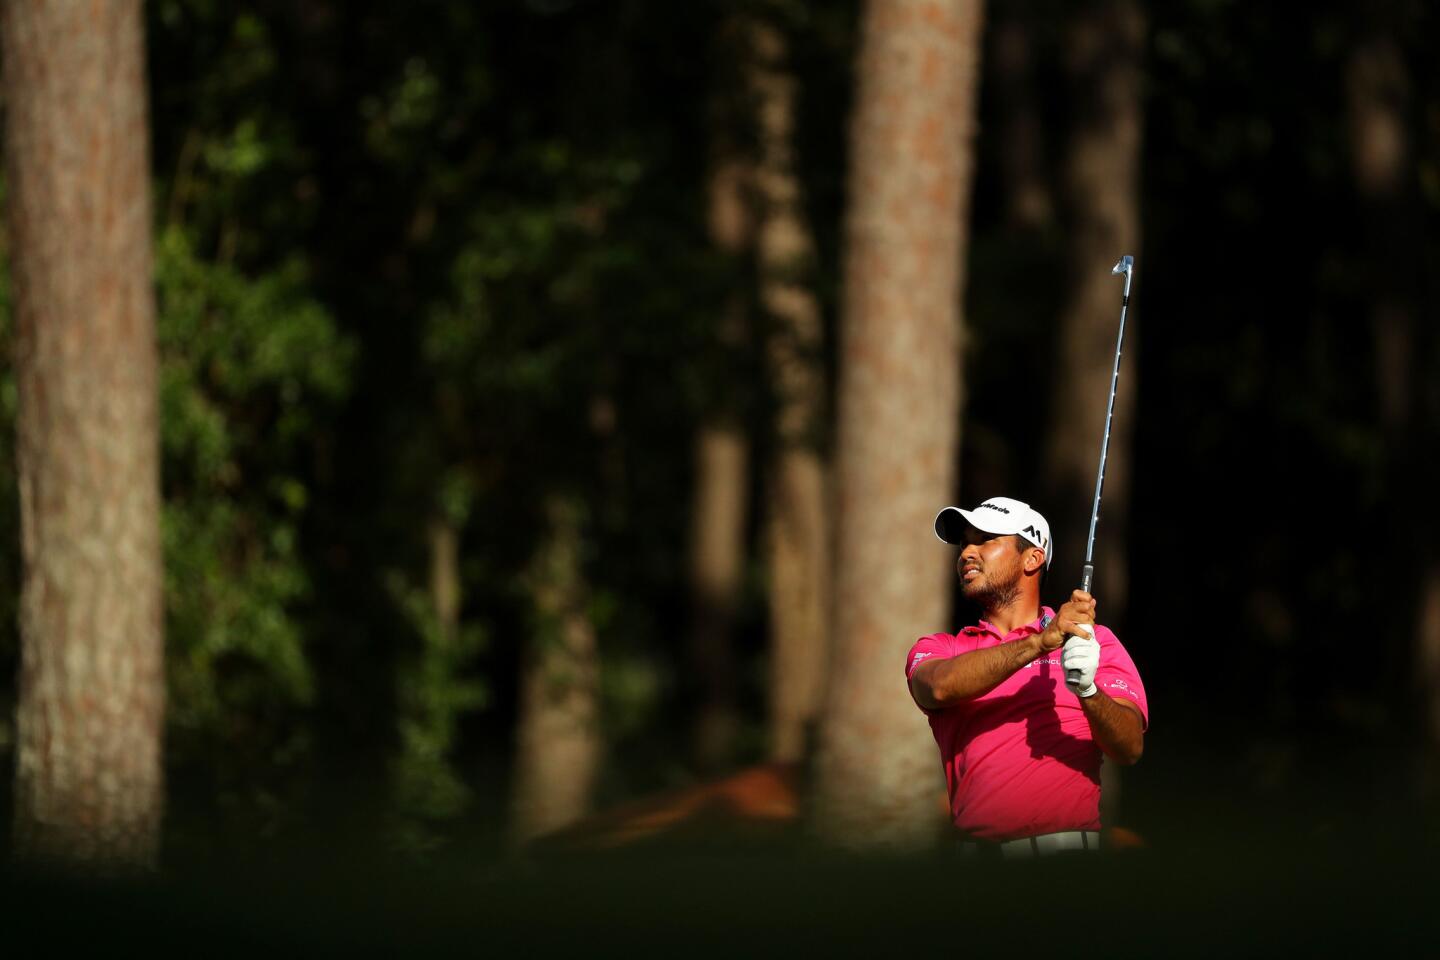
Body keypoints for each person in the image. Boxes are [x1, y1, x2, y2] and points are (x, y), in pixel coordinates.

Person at [905, 496, 1147, 857]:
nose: (967, 552)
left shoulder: (1095, 643)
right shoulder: (943, 648)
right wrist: (1039, 643)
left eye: (985, 539)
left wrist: (1089, 690)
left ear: (1032, 558)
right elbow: (938, 687)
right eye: (964, 542)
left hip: (1065, 864)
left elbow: (1129, 748)